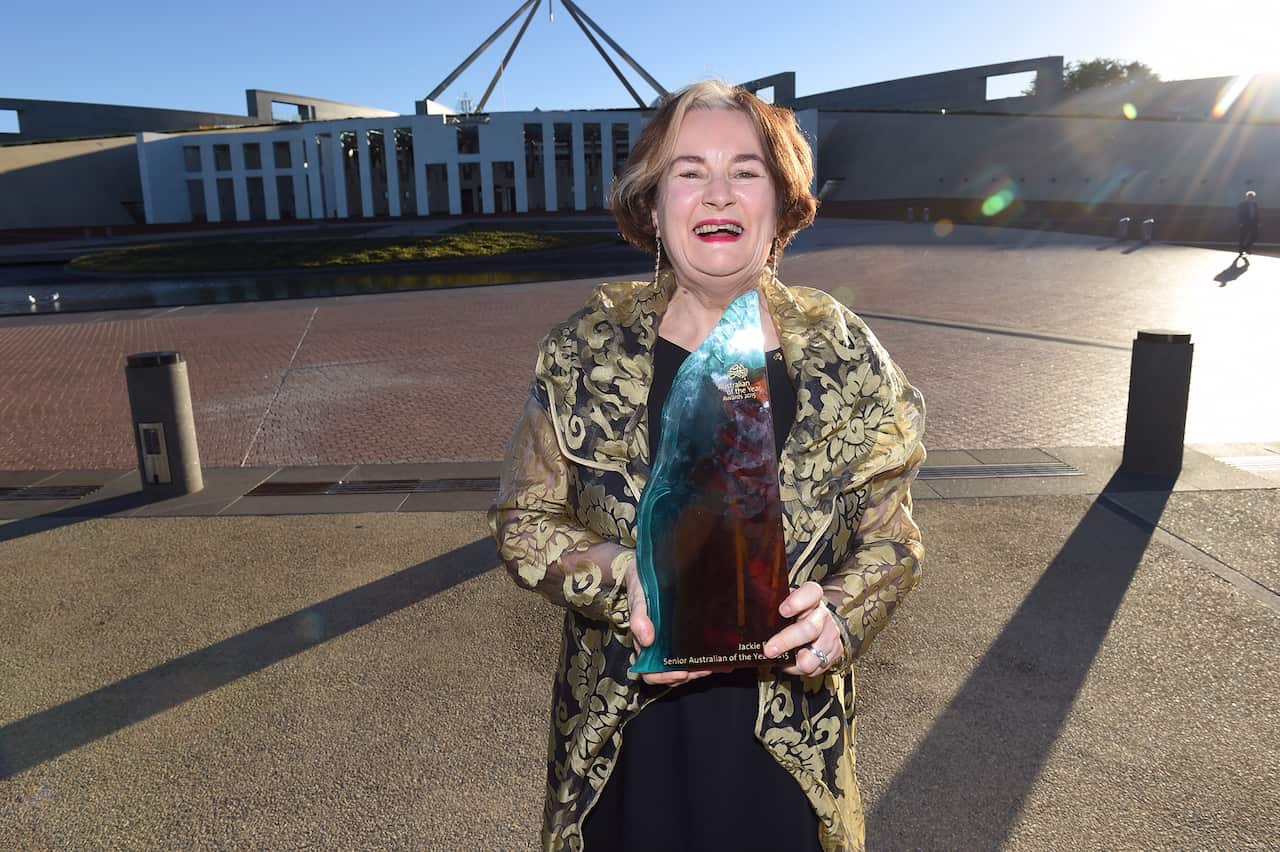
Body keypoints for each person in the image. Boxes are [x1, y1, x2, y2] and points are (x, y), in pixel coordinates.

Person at [489, 79, 926, 852]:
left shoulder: (844, 354)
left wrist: (839, 618)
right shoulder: (582, 351)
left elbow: (894, 539)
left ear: (780, 202)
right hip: (624, 731)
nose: (717, 192)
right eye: (689, 171)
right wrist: (621, 576)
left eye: (746, 170)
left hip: (787, 741)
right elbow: (525, 519)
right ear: (652, 207)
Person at [1237, 190, 1261, 256]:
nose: (1251, 198)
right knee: (1243, 236)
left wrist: (1258, 222)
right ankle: (1241, 250)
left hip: (1253, 223)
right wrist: (1240, 222)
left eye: (1252, 197)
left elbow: (1257, 214)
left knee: (1255, 236)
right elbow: (1239, 213)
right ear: (1247, 197)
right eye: (1250, 196)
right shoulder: (1242, 204)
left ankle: (1247, 247)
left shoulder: (1255, 204)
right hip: (1245, 222)